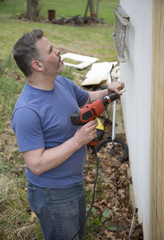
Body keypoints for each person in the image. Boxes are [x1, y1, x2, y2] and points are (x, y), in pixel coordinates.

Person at [11, 29, 124, 240]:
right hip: (52, 194)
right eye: (51, 50)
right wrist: (78, 140)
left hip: (74, 183)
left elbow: (87, 97)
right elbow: (36, 164)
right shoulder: (27, 111)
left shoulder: (59, 82)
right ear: (37, 65)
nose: (59, 50)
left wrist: (108, 92)